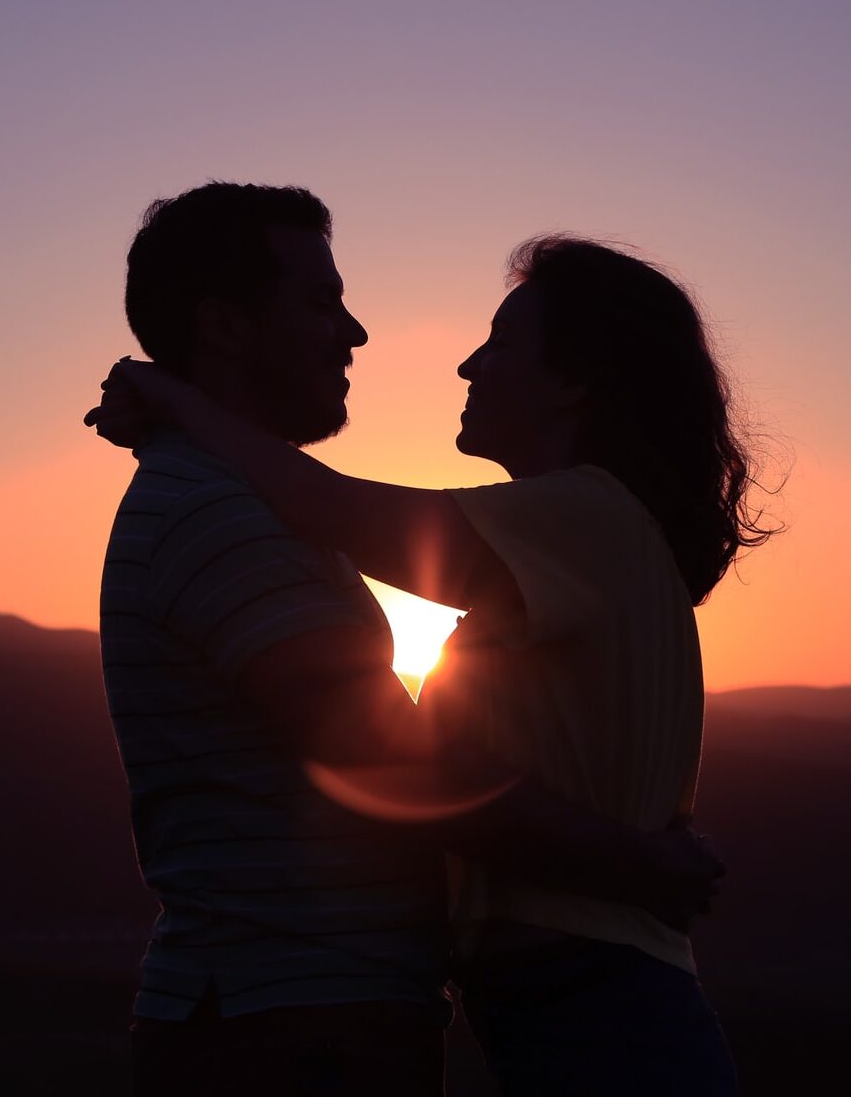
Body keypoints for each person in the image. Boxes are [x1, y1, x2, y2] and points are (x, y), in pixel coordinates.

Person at [91, 231, 769, 1095]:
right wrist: (627, 851)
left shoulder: (586, 519)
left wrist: (173, 400)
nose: (466, 366)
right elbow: (407, 755)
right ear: (224, 325)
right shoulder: (567, 545)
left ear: (572, 382)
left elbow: (329, 504)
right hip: (531, 991)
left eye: (499, 344)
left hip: (590, 991)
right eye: (321, 301)